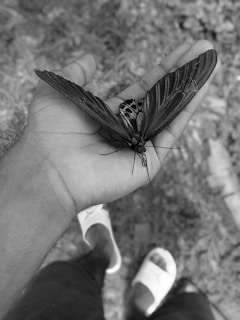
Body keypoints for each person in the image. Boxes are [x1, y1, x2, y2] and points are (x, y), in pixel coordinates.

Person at [0, 40, 220, 319]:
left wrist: (47, 173)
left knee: (58, 292)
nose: (143, 150)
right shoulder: (145, 137)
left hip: (126, 119)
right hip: (138, 118)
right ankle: (136, 306)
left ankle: (101, 256)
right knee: (192, 312)